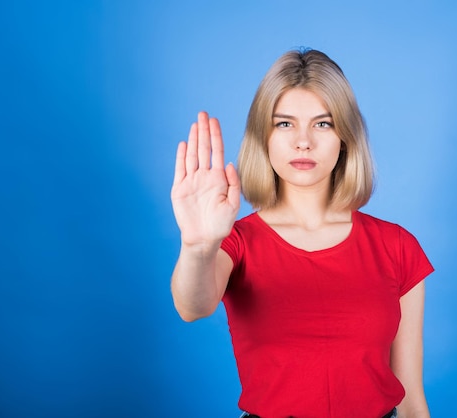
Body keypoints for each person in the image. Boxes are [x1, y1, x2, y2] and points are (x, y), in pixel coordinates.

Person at [170, 49, 434, 418]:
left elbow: (410, 399)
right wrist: (197, 247)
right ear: (264, 136)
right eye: (284, 124)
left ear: (345, 136)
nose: (303, 141)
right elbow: (191, 306)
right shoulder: (235, 242)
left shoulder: (397, 247)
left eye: (322, 124)